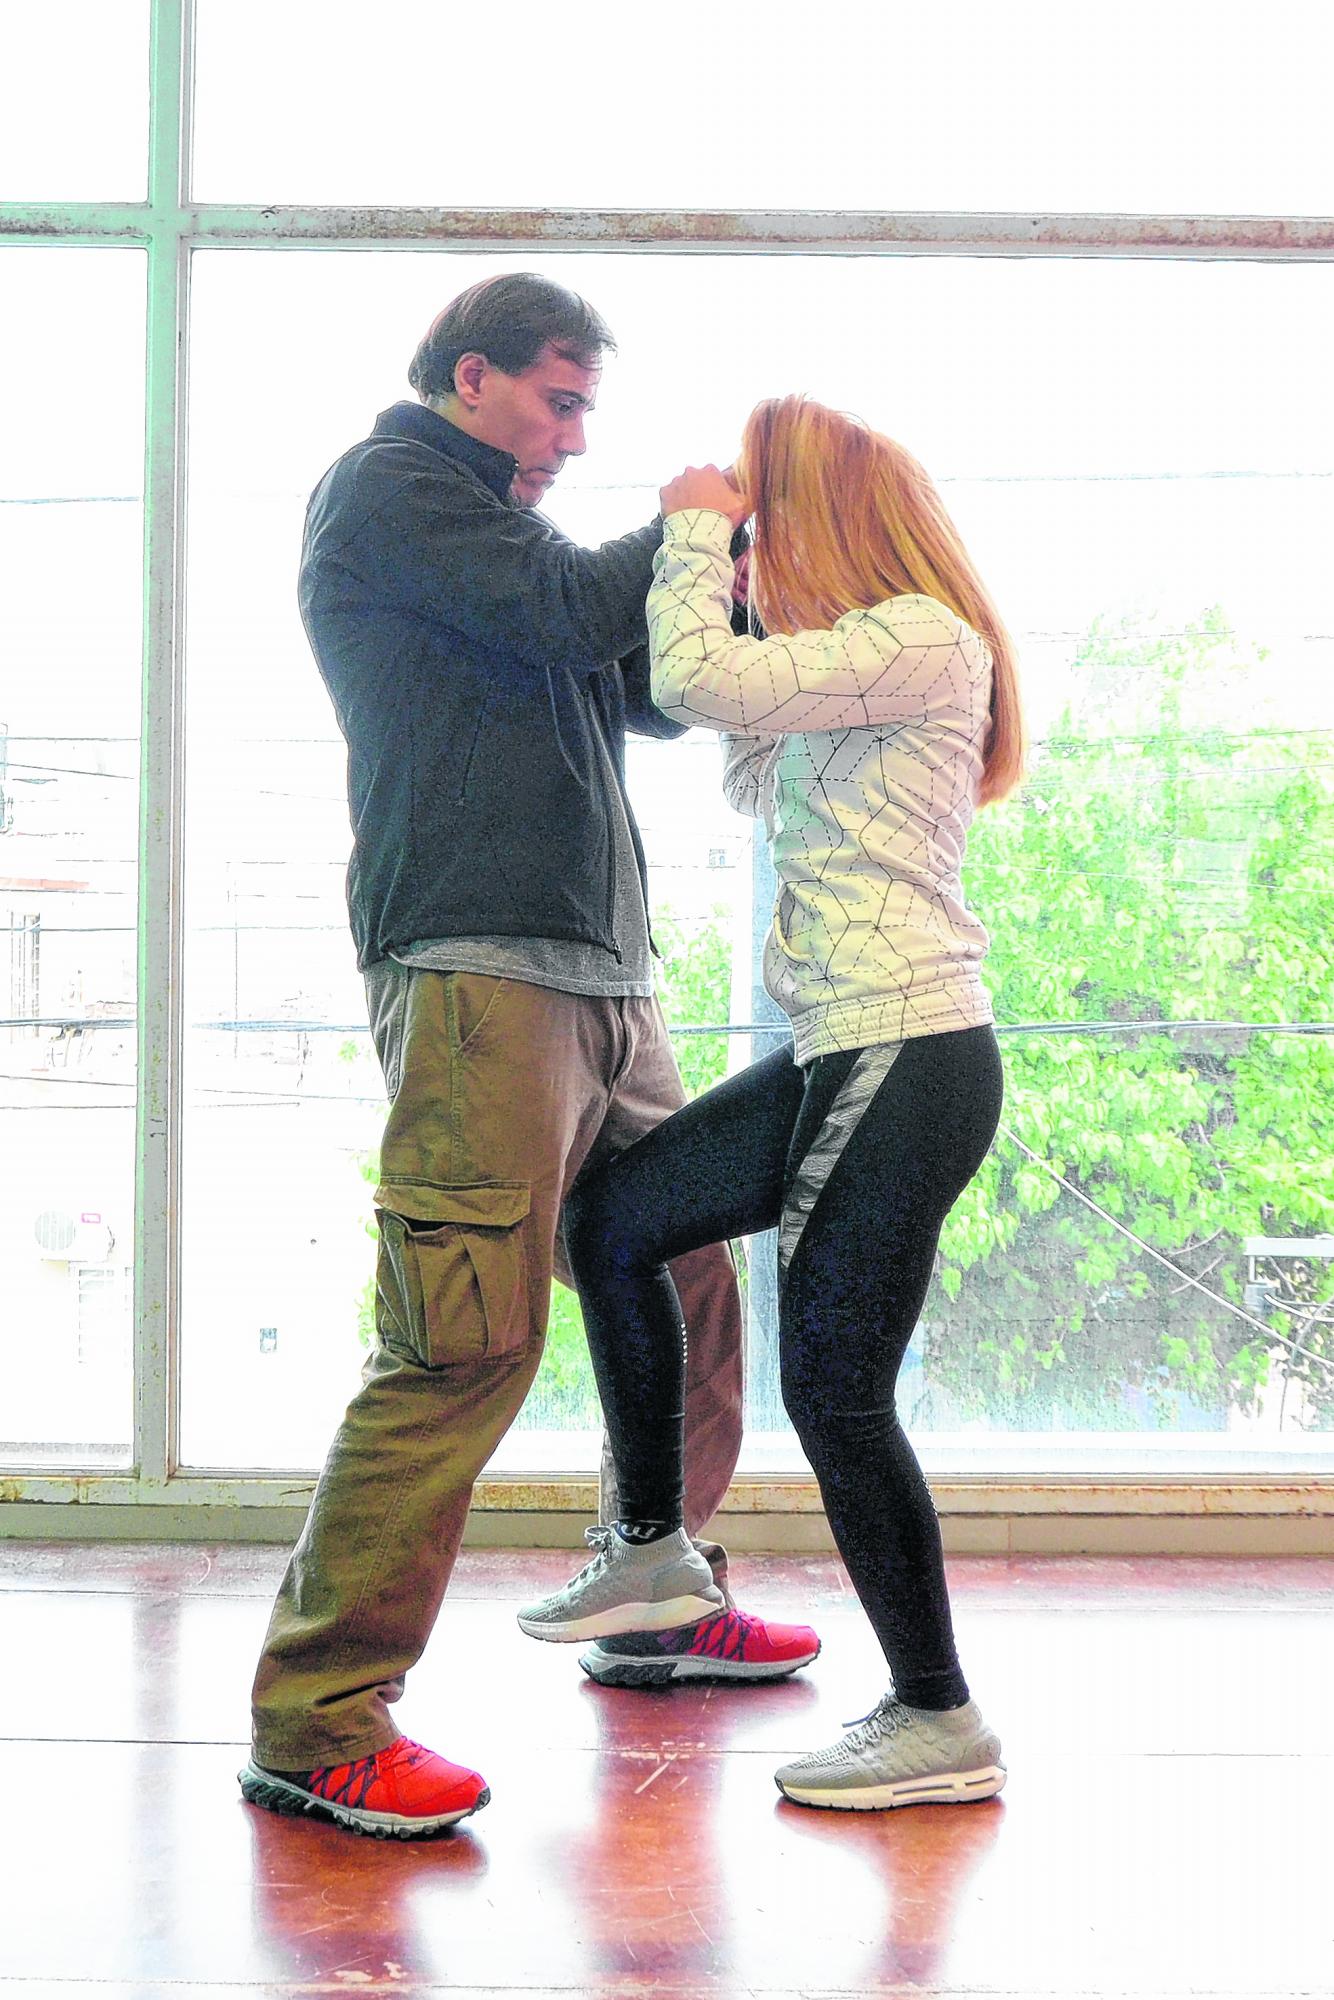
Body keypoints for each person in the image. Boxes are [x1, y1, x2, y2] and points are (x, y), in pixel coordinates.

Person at [238, 278, 819, 1842]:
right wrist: (681, 523)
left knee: (687, 1280)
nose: (571, 437)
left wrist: (726, 585)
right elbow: (570, 609)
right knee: (465, 1339)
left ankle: (655, 1594)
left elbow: (640, 690)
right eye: (557, 403)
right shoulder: (390, 492)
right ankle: (317, 1718)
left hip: (604, 977)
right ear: (469, 375)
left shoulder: (511, 551)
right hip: (479, 975)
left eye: (584, 413)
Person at [516, 393, 1024, 1811]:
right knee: (615, 1222)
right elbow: (744, 753)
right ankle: (650, 1549)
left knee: (836, 1396)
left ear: (827, 516)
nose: (748, 541)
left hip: (906, 1049)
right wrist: (736, 588)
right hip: (842, 1049)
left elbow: (690, 683)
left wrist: (687, 528)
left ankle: (937, 1717)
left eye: (764, 519)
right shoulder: (853, 659)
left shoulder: (925, 636)